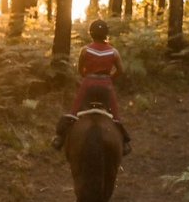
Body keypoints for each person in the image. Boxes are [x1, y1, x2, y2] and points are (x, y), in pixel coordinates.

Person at [51, 18, 132, 153]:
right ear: (106, 33)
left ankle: (60, 138)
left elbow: (80, 70)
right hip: (106, 85)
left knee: (74, 111)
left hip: (88, 84)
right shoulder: (114, 52)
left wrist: (88, 76)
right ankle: (124, 143)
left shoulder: (85, 50)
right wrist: (108, 77)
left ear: (91, 33)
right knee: (115, 115)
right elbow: (121, 70)